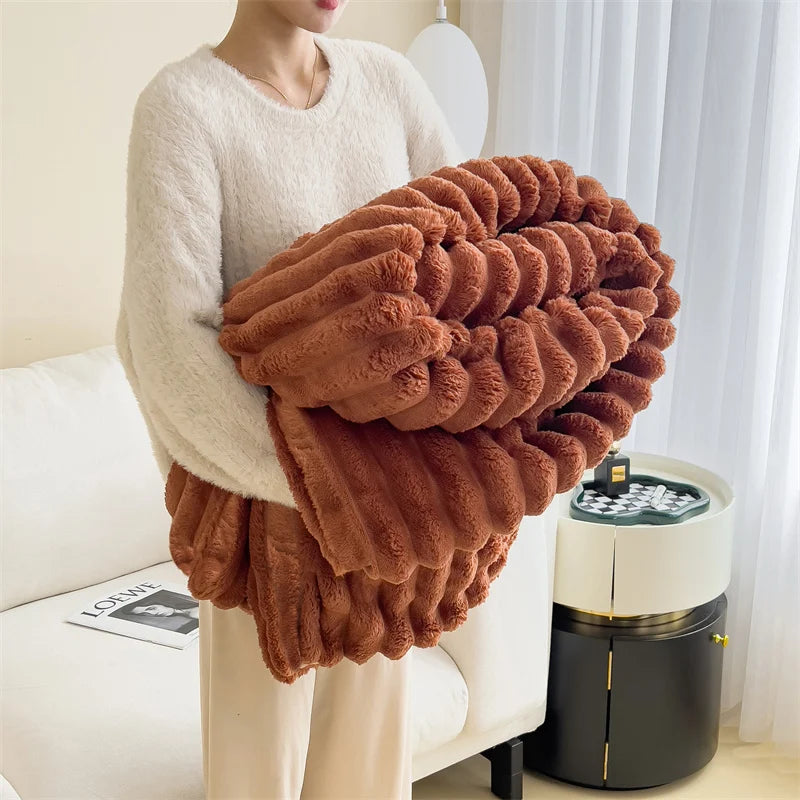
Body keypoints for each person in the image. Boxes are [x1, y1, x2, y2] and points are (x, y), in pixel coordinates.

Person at [114, 0, 464, 798]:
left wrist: (415, 482)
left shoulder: (392, 86)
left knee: (369, 782)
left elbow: (465, 268)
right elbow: (169, 343)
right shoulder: (183, 107)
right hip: (258, 518)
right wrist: (330, 483)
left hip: (384, 518)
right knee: (254, 781)